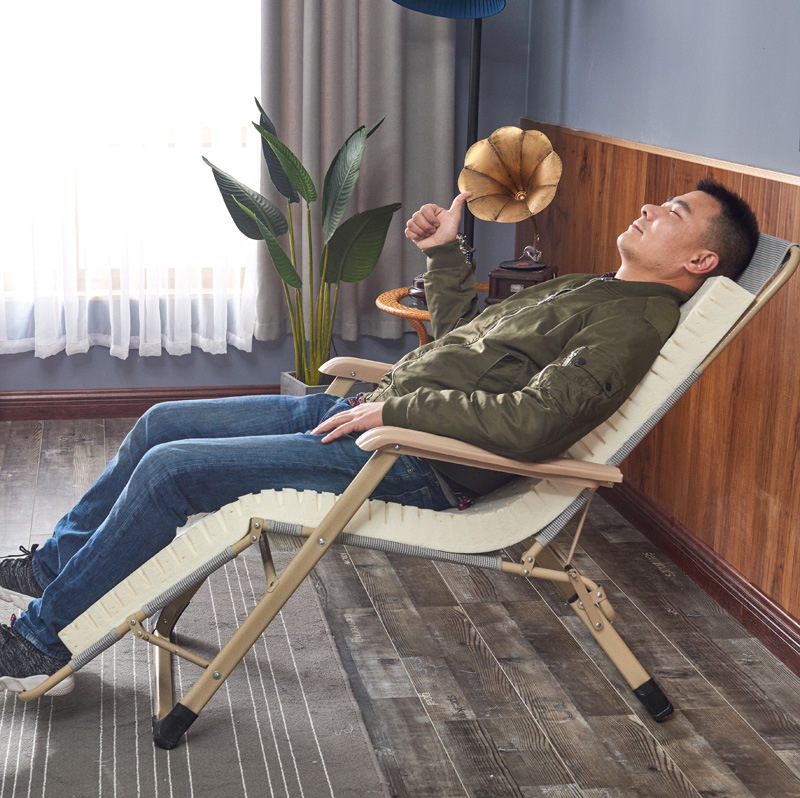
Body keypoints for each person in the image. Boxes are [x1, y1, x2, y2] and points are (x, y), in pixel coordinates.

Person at [0, 178, 759, 695]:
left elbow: (533, 421)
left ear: (700, 259)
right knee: (162, 421)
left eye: (674, 211)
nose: (650, 208)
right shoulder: (595, 287)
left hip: (417, 460)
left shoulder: (633, 324)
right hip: (379, 413)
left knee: (173, 470)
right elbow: (467, 343)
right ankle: (57, 567)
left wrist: (403, 416)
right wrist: (445, 254)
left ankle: (41, 636)